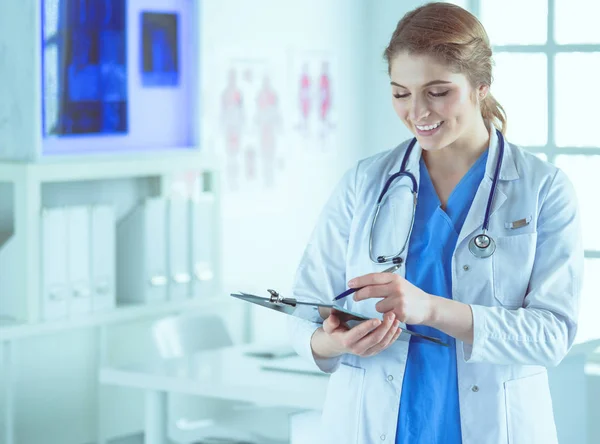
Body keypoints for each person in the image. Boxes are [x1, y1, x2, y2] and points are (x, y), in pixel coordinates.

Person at [287, 3, 583, 444]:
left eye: (438, 91)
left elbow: (552, 334)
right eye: (401, 93)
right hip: (375, 422)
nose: (417, 112)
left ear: (481, 85)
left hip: (492, 427)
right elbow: (304, 311)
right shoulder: (365, 183)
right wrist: (336, 343)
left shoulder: (543, 189)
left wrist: (431, 310)